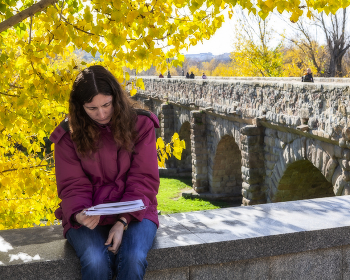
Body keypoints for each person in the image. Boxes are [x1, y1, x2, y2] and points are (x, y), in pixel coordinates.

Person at [49, 65, 160, 280]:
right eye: (92, 108)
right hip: (86, 212)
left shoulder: (141, 124)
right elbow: (72, 184)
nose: (101, 114)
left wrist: (123, 221)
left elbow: (143, 179)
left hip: (137, 209)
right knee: (95, 260)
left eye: (106, 105)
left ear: (116, 99)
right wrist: (79, 214)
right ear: (80, 108)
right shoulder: (67, 135)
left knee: (133, 257)